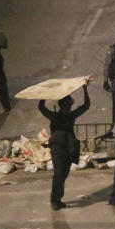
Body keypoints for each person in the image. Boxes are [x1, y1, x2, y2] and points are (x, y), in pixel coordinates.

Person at [38, 80, 91, 210]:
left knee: (64, 174)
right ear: (62, 106)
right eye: (67, 106)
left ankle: (58, 198)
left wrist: (85, 89)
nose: (69, 108)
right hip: (57, 148)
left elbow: (86, 106)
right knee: (59, 174)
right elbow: (41, 108)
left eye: (69, 106)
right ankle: (54, 200)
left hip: (69, 148)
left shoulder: (71, 116)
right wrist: (44, 94)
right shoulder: (55, 117)